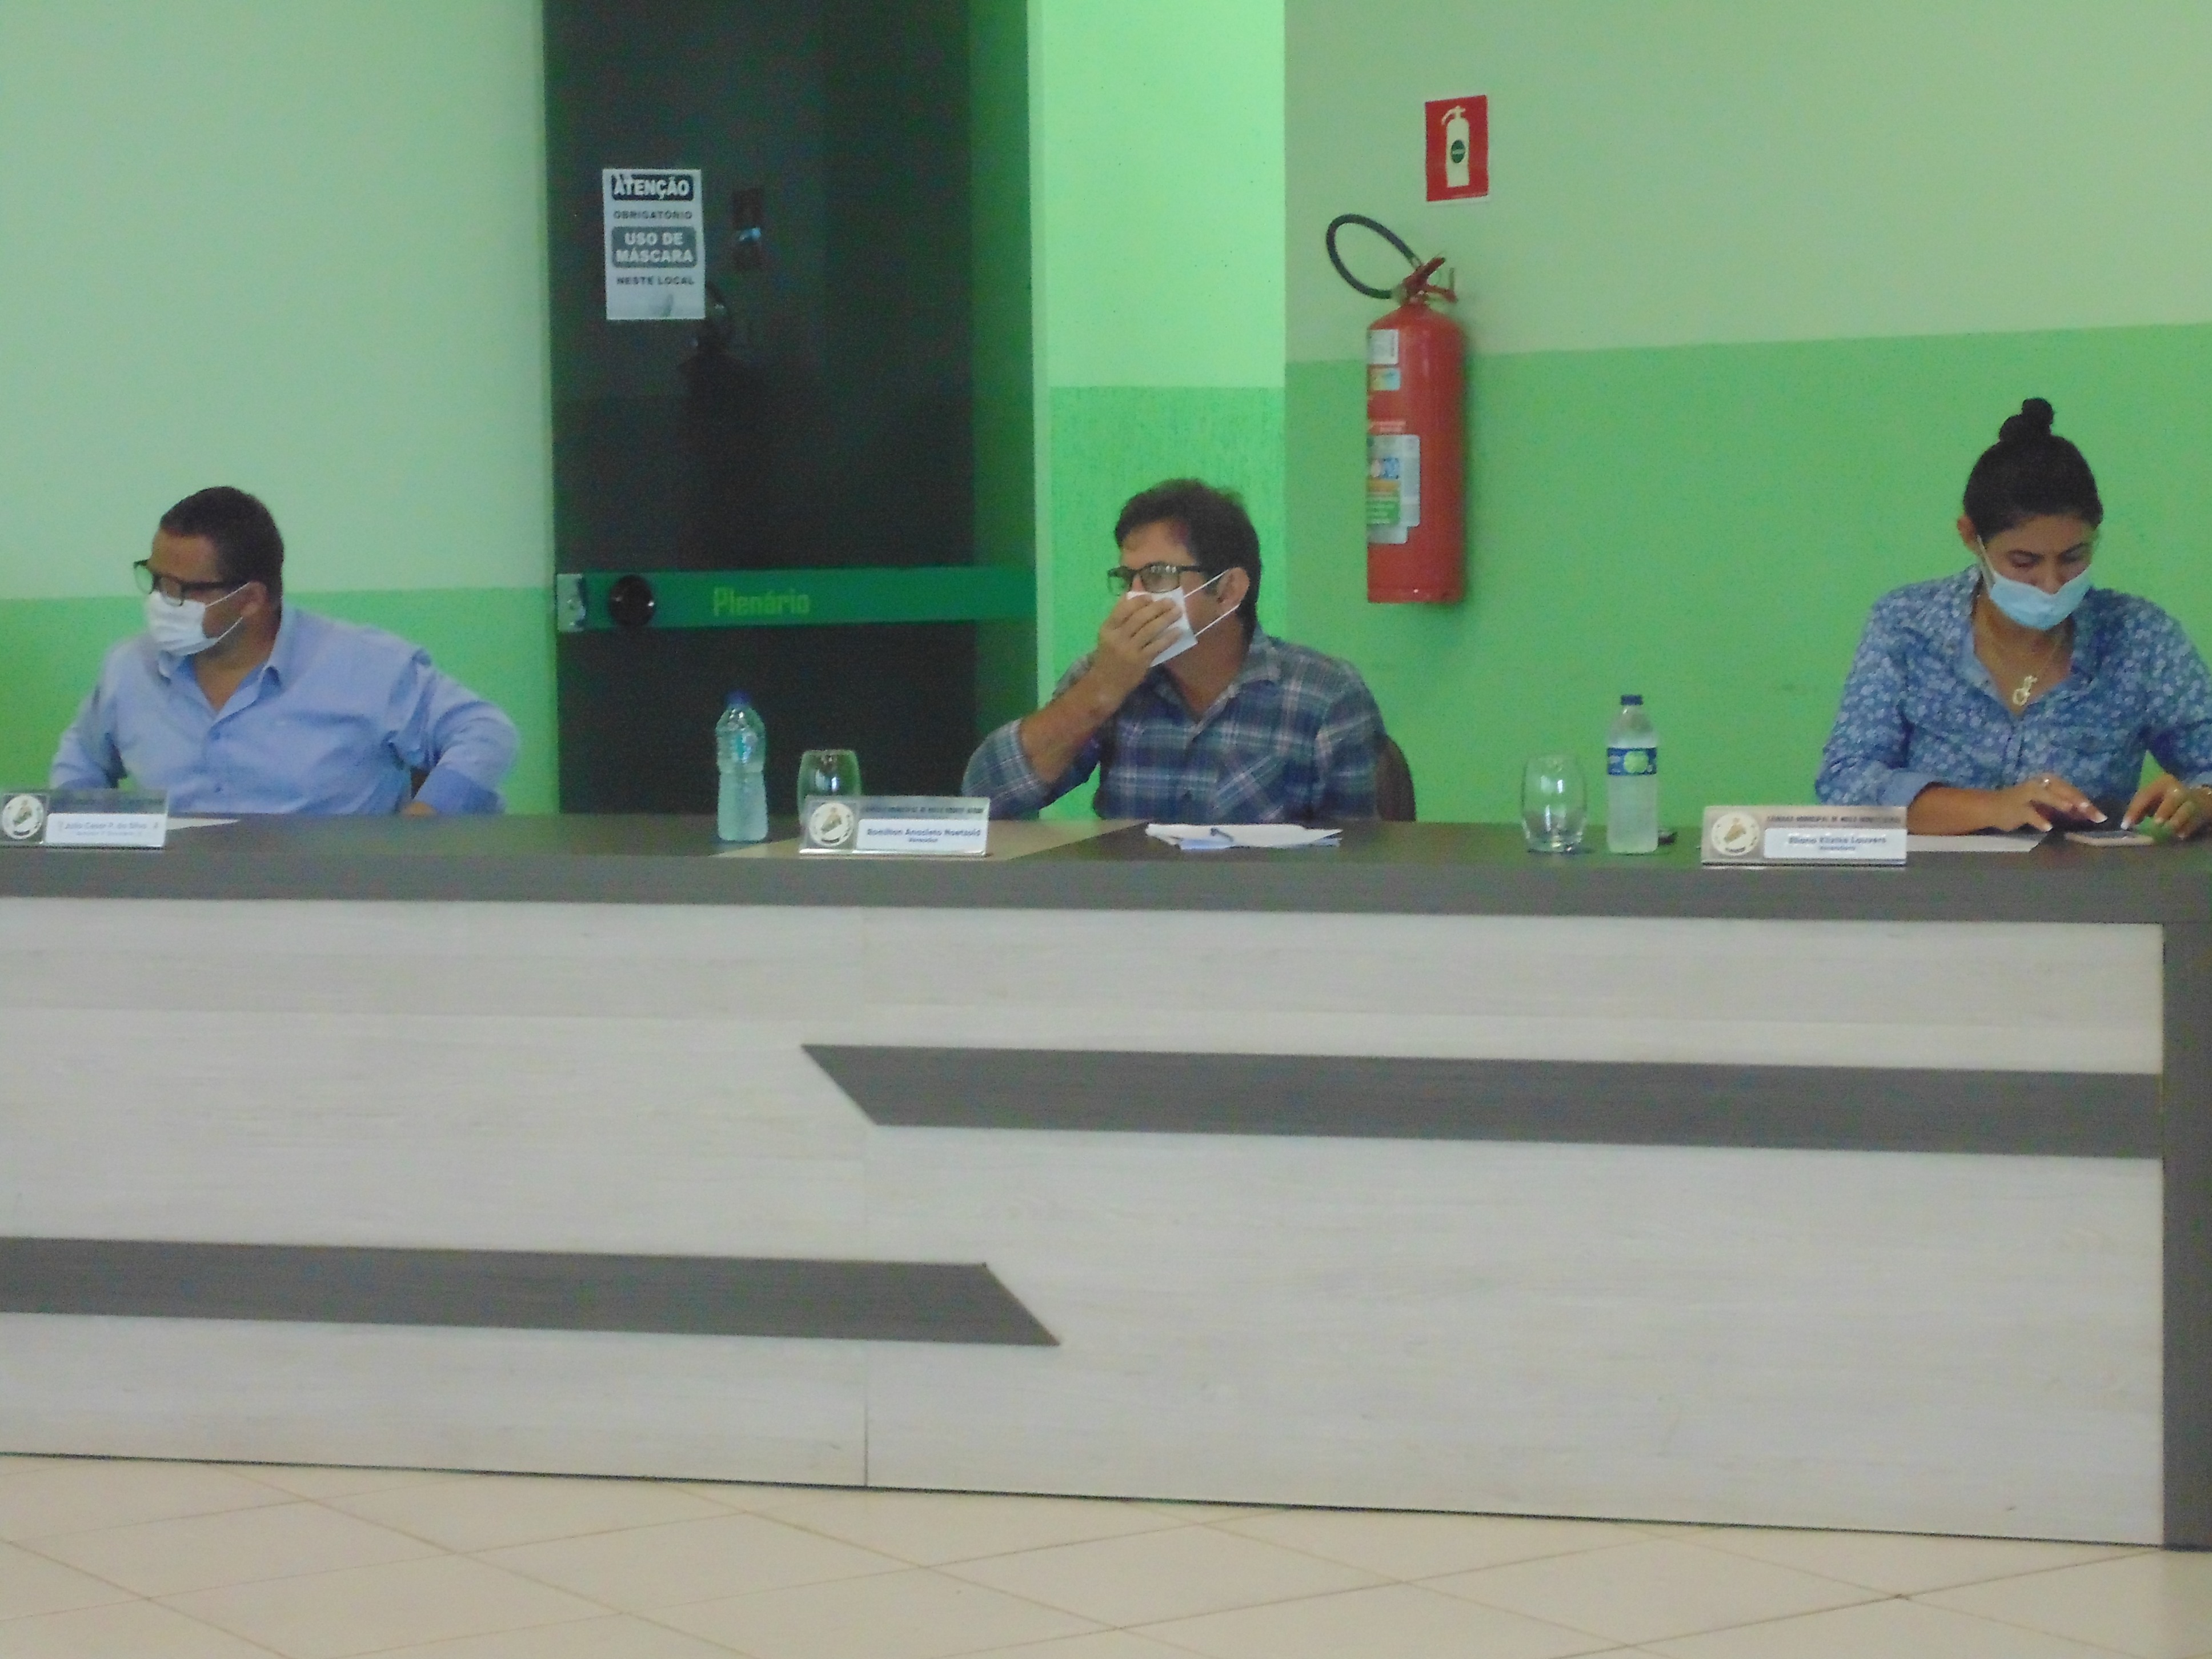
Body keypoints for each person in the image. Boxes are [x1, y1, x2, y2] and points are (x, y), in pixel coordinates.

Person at [1817, 399, 2212, 836]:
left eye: (2073, 557)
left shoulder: (2141, 638)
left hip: (2084, 880)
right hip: (1933, 879)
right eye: (2024, 562)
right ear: (1971, 537)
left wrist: (2200, 801)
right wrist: (1990, 808)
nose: (2051, 584)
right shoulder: (1906, 626)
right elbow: (1845, 780)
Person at [51, 486, 518, 815]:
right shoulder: (129, 669)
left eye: (183, 589)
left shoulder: (365, 665)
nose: (161, 601)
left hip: (335, 902)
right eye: (156, 581)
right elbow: (82, 762)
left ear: (251, 599)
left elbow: (484, 733)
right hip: (172, 904)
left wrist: (423, 824)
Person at [963, 478, 1384, 821]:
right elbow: (984, 798)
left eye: (1158, 575)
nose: (1134, 597)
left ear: (1227, 591)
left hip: (1262, 901)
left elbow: (1359, 866)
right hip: (1130, 900)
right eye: (1127, 579)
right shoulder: (1107, 675)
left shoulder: (1326, 695)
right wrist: (1099, 692)